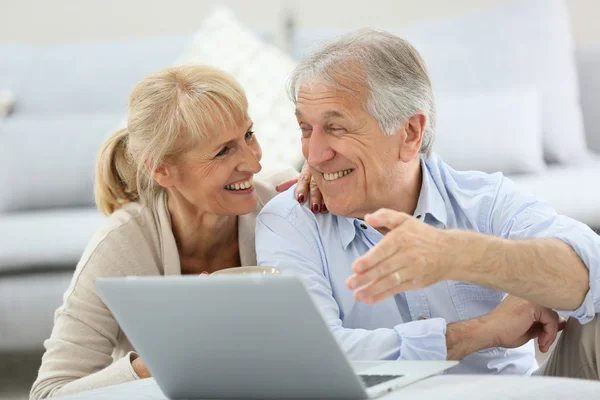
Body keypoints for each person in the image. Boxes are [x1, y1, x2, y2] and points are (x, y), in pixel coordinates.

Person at [256, 29, 600, 378]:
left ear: (410, 133)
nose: (314, 155)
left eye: (337, 128)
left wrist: (456, 254)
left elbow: (591, 270)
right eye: (305, 129)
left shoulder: (484, 200)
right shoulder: (289, 221)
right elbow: (313, 355)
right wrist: (484, 330)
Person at [30, 65, 322, 399]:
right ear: (162, 170)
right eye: (223, 150)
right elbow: (48, 394)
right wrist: (156, 362)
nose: (254, 163)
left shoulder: (282, 201)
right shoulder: (121, 244)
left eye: (249, 135)